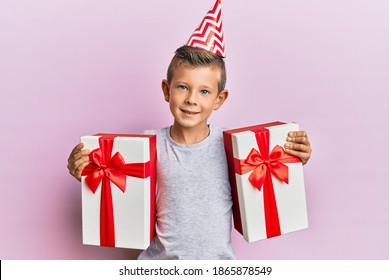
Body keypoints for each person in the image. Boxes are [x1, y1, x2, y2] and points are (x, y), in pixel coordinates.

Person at [67, 1, 312, 259]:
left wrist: (297, 157)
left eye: (204, 91)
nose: (192, 99)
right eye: (183, 87)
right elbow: (113, 189)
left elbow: (271, 171)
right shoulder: (146, 145)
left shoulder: (235, 146)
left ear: (219, 99)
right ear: (166, 90)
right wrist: (84, 170)